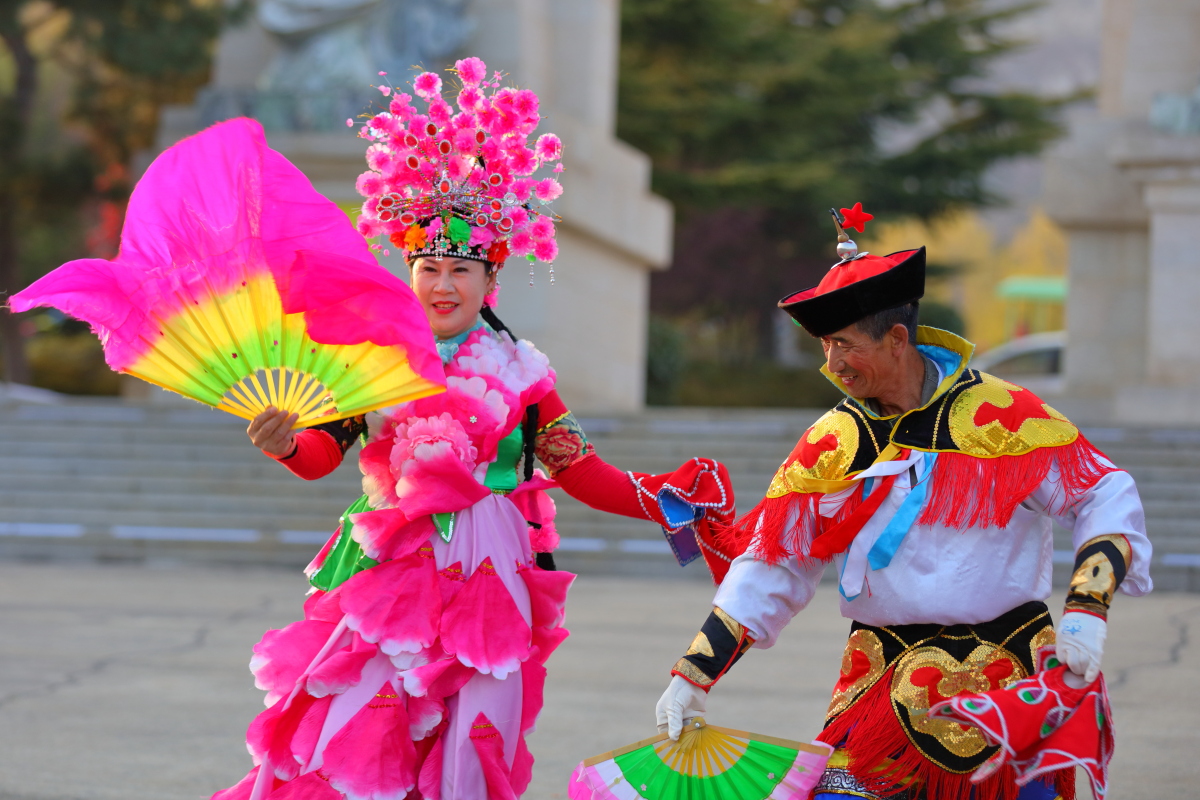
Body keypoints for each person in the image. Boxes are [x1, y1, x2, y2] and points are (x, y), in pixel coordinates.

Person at [213, 60, 735, 800]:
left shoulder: (523, 372)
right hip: (386, 569)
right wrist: (285, 442)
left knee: (473, 733)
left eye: (462, 269)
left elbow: (580, 471)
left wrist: (669, 497)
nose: (443, 284)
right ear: (409, 271)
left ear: (492, 281)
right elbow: (321, 455)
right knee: (361, 722)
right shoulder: (369, 361)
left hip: (492, 573)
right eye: (429, 266)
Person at [653, 206, 1152, 800]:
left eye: (844, 345)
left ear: (896, 339)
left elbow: (1104, 491)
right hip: (883, 677)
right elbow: (773, 563)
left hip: (1012, 676)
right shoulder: (831, 440)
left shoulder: (1007, 415)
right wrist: (695, 674)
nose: (832, 365)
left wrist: (1086, 608)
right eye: (824, 346)